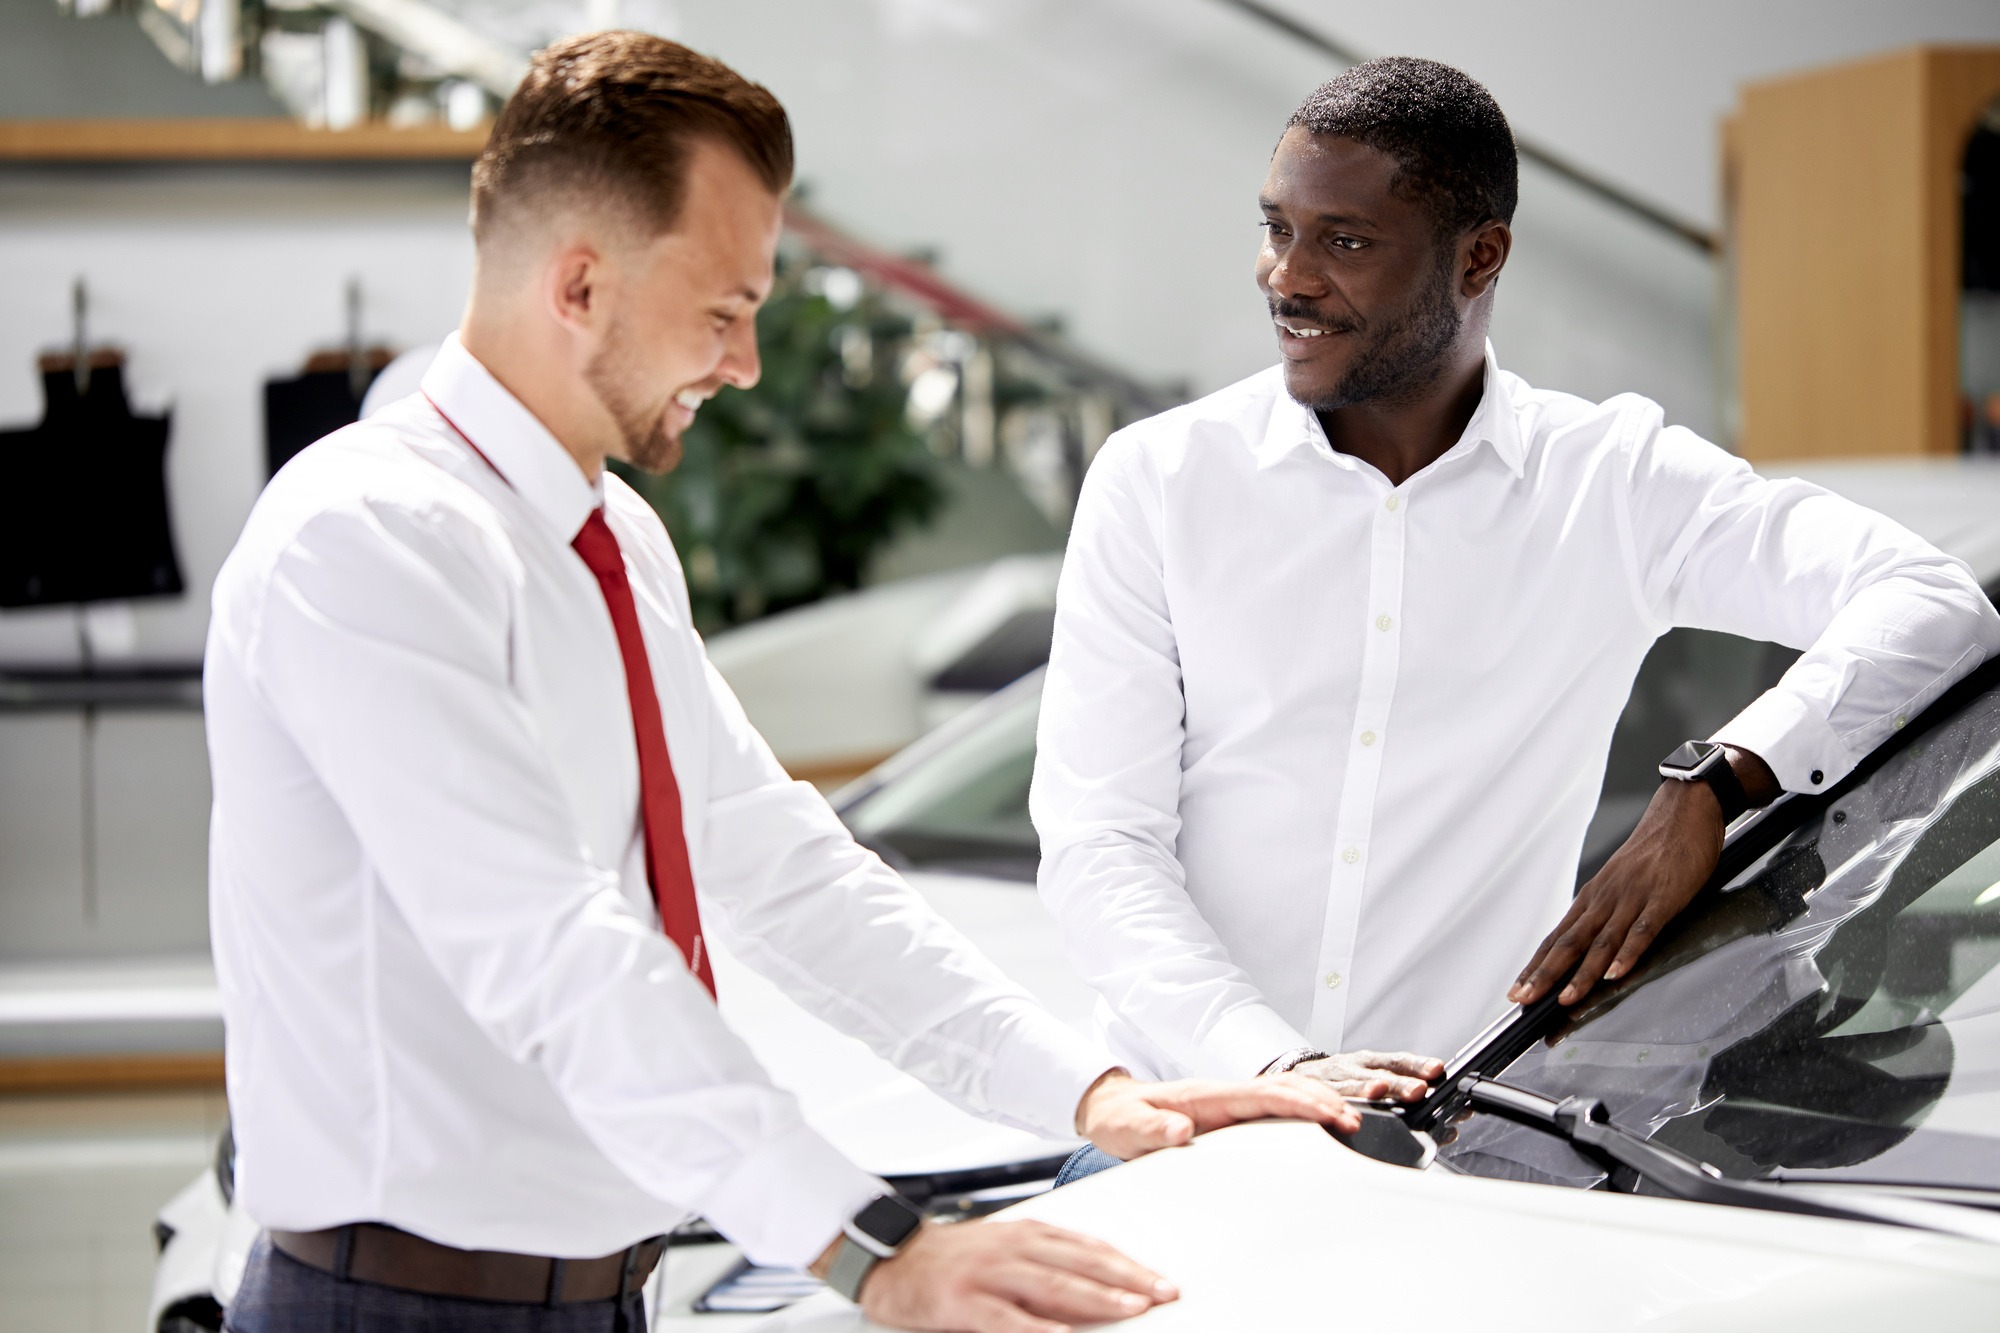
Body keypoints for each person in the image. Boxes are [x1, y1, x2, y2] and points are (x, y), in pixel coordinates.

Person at [205, 32, 1389, 1333]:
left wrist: (1095, 1096)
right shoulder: (365, 540)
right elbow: (547, 947)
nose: (747, 363)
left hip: (603, 1300)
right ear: (581, 285)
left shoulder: (613, 545)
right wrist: (872, 1249)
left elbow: (788, 874)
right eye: (725, 311)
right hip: (394, 1311)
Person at [1031, 57, 2000, 1095]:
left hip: (1463, 1153)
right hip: (1194, 1118)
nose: (1287, 275)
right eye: (1276, 228)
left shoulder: (1610, 483)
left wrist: (1720, 776)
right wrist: (1271, 1064)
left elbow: (1933, 603)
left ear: (1478, 256)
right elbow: (1100, 843)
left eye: (1343, 241)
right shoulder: (1161, 479)